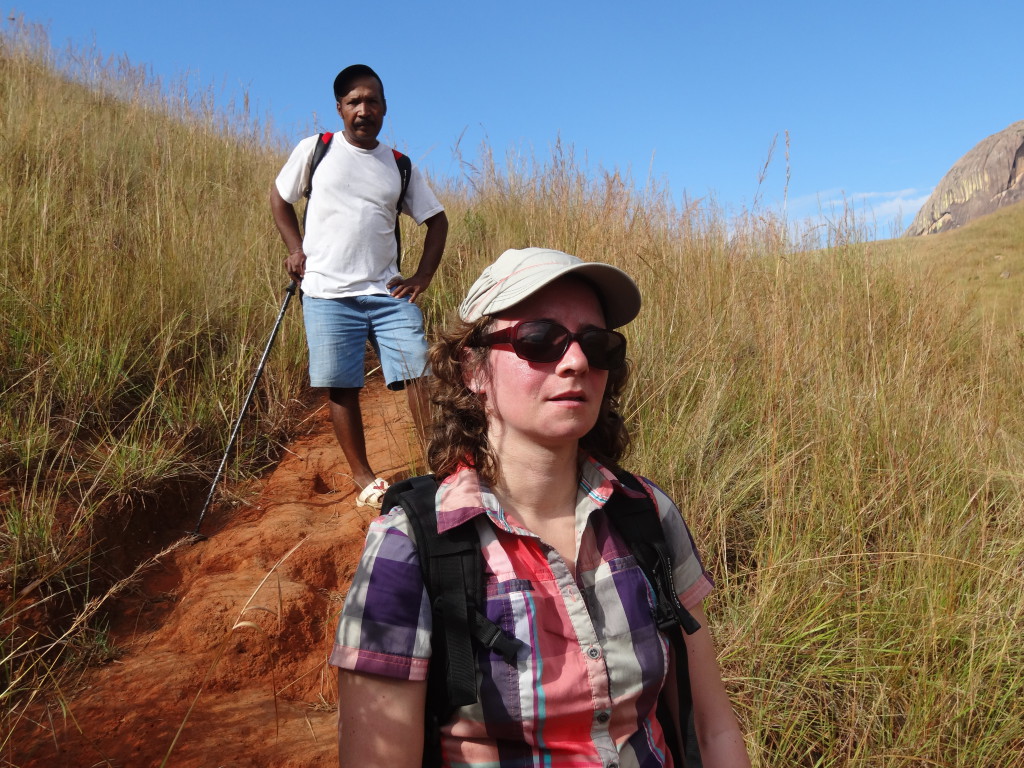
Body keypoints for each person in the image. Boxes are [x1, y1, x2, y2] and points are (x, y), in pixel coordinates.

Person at [331, 247, 750, 767]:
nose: (575, 361)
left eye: (597, 346)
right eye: (539, 340)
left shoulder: (647, 514)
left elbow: (711, 729)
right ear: (472, 369)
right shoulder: (411, 547)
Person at [270, 64, 448, 509]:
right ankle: (364, 479)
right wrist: (295, 248)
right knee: (341, 385)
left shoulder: (399, 165)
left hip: (388, 294)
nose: (363, 109)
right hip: (327, 292)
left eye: (371, 100)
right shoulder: (316, 150)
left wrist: (422, 277)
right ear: (339, 108)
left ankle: (436, 468)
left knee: (418, 373)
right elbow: (280, 198)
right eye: (354, 101)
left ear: (384, 107)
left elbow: (437, 221)